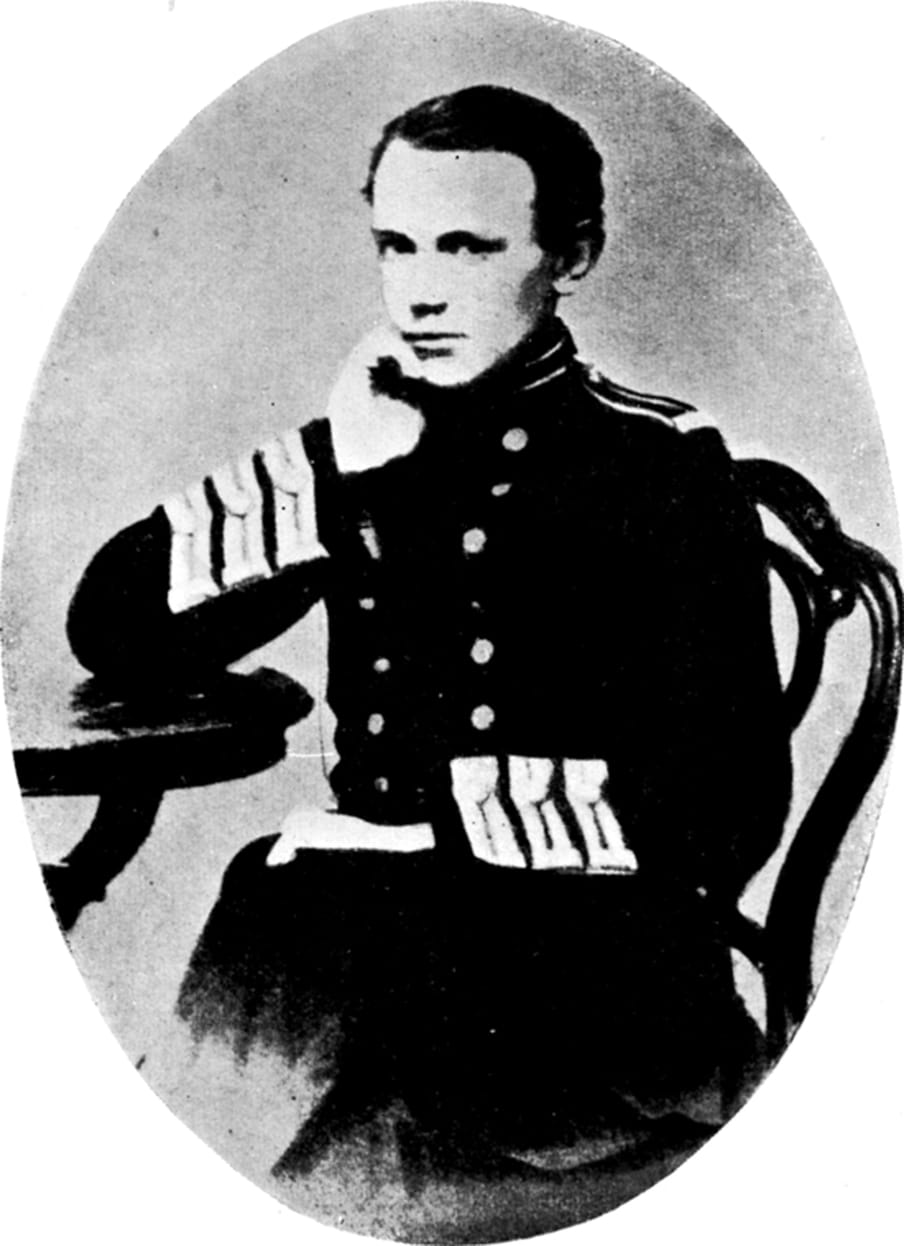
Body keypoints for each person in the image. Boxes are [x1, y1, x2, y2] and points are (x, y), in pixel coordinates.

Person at [66, 86, 792, 1181]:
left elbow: (724, 807)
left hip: (598, 1000)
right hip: (364, 952)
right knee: (287, 924)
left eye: (466, 247)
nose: (421, 295)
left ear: (571, 254)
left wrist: (420, 837)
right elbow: (112, 625)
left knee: (291, 945)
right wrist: (340, 485)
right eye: (397, 248)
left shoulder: (659, 467)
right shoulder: (364, 430)